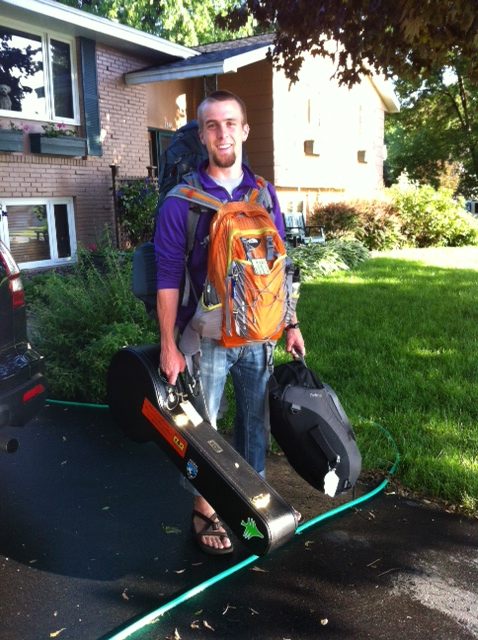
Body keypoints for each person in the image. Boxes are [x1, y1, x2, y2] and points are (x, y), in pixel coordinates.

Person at [154, 90, 305, 555]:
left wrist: (291, 323)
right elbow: (167, 278)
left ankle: (251, 498)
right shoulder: (181, 202)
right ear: (202, 136)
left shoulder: (263, 194)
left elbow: (280, 264)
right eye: (212, 126)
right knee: (205, 431)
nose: (223, 134)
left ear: (244, 130)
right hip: (207, 338)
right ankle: (205, 508)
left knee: (256, 424)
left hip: (259, 334)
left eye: (230, 123)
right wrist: (168, 344)